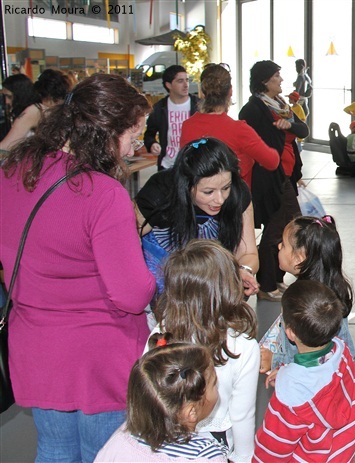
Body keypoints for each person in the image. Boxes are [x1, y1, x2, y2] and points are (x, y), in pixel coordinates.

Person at [0, 73, 156, 462]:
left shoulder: (14, 172)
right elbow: (132, 294)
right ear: (106, 131)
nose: (133, 146)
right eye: (132, 135)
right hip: (97, 354)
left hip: (36, 345)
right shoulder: (103, 193)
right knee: (102, 453)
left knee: (54, 449)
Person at [148, 240, 260, 462]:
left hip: (163, 441)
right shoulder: (243, 346)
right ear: (226, 290)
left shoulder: (160, 334)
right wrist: (244, 456)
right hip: (214, 444)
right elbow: (242, 414)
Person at [135, 138, 260, 317]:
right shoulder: (160, 192)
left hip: (209, 299)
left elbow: (248, 253)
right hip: (158, 300)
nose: (220, 199)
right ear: (187, 185)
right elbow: (124, 243)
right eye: (208, 192)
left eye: (225, 188)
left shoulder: (238, 194)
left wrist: (242, 270)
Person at [253, 280, 355, 462]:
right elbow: (320, 377)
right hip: (339, 454)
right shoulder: (342, 353)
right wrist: (288, 371)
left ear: (290, 333)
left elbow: (273, 450)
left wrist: (288, 378)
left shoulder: (290, 396)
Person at [239, 60, 308, 302]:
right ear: (265, 80)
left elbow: (303, 130)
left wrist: (289, 124)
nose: (281, 80)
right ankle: (267, 283)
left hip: (286, 173)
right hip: (269, 177)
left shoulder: (280, 105)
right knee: (280, 226)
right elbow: (256, 146)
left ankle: (274, 278)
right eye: (277, 76)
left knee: (289, 224)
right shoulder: (253, 110)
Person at [95, 338, 227, 462]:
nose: (217, 387)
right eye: (214, 384)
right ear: (191, 411)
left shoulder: (124, 435)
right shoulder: (204, 455)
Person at [259, 215, 355, 373]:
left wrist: (274, 360)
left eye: (283, 245)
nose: (278, 247)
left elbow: (304, 356)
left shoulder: (301, 303)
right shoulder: (331, 290)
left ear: (298, 260)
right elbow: (345, 349)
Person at [180, 64, 280, 189]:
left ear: (202, 93)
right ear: (230, 91)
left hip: (198, 201)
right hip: (234, 202)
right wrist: (248, 161)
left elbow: (186, 165)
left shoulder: (188, 126)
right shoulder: (239, 129)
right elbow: (272, 161)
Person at [1, 70, 74, 153]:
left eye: (8, 96)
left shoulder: (35, 110)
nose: (6, 101)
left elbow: (5, 147)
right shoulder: (66, 113)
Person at [144, 65, 199, 170]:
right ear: (168, 85)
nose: (186, 85)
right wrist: (152, 144)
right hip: (167, 166)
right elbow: (149, 134)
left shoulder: (198, 106)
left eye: (187, 80)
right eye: (180, 81)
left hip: (193, 166)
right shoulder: (159, 108)